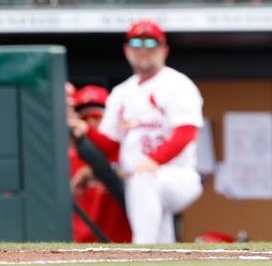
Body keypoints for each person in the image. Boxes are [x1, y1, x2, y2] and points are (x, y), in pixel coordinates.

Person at [68, 19, 204, 244]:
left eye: (151, 43)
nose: (143, 49)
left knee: (143, 185)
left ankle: (141, 253)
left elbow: (186, 133)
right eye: (136, 43)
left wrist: (153, 160)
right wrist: (85, 130)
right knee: (161, 234)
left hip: (176, 174)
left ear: (164, 49)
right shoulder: (122, 92)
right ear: (127, 50)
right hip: (141, 180)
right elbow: (110, 144)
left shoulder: (177, 84)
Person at [69, 85, 132, 244]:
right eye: (84, 118)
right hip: (80, 245)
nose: (91, 123)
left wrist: (94, 171)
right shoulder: (69, 156)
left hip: (122, 243)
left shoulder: (124, 151)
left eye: (98, 116)